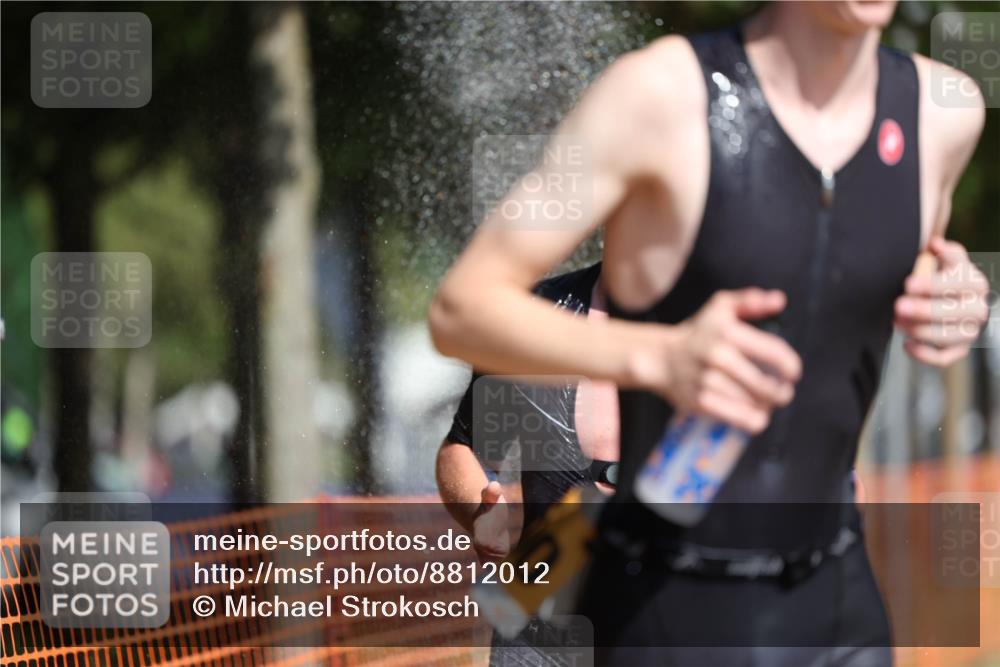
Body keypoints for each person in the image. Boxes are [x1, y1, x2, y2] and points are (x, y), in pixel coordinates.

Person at [429, 1, 988, 665]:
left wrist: (952, 293)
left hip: (836, 603)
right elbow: (461, 308)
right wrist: (661, 355)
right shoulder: (659, 95)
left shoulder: (946, 113)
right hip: (654, 604)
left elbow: (900, 251)